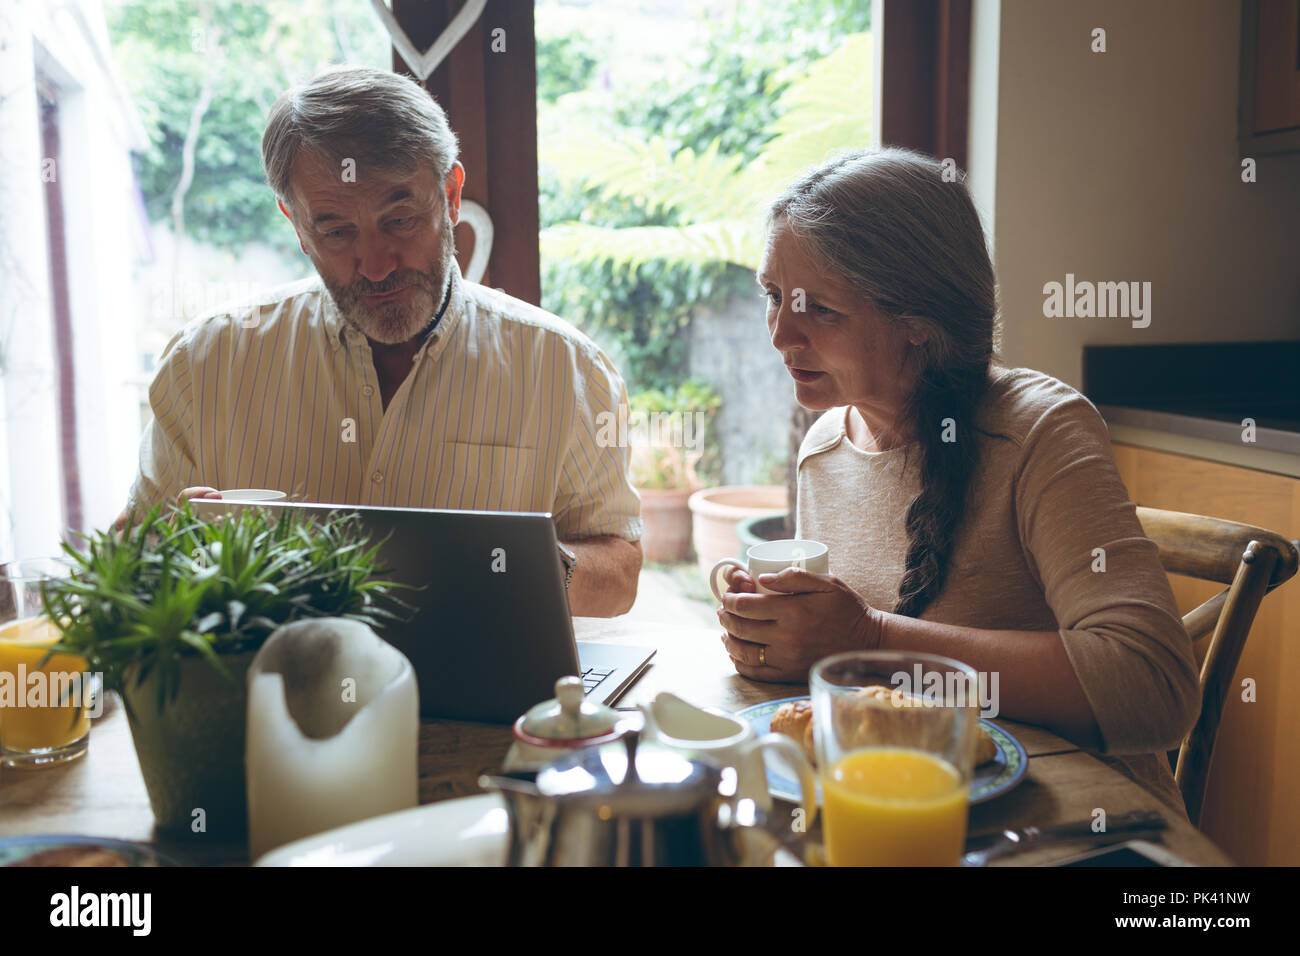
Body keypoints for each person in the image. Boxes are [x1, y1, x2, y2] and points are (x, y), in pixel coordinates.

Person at [719, 147, 1199, 814]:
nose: (779, 334)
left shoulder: (1040, 433)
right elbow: (849, 685)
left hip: (1067, 822)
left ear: (918, 323)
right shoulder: (824, 447)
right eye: (773, 296)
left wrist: (872, 640)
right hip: (903, 806)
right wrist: (781, 639)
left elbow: (1152, 688)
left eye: (819, 310)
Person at [116, 66, 641, 617]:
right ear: (296, 226)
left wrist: (520, 563)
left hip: (490, 703)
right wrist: (164, 556)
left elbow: (621, 573)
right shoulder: (205, 365)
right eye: (337, 231)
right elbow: (130, 561)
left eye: (400, 219)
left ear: (451, 195)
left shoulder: (563, 366)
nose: (375, 264)